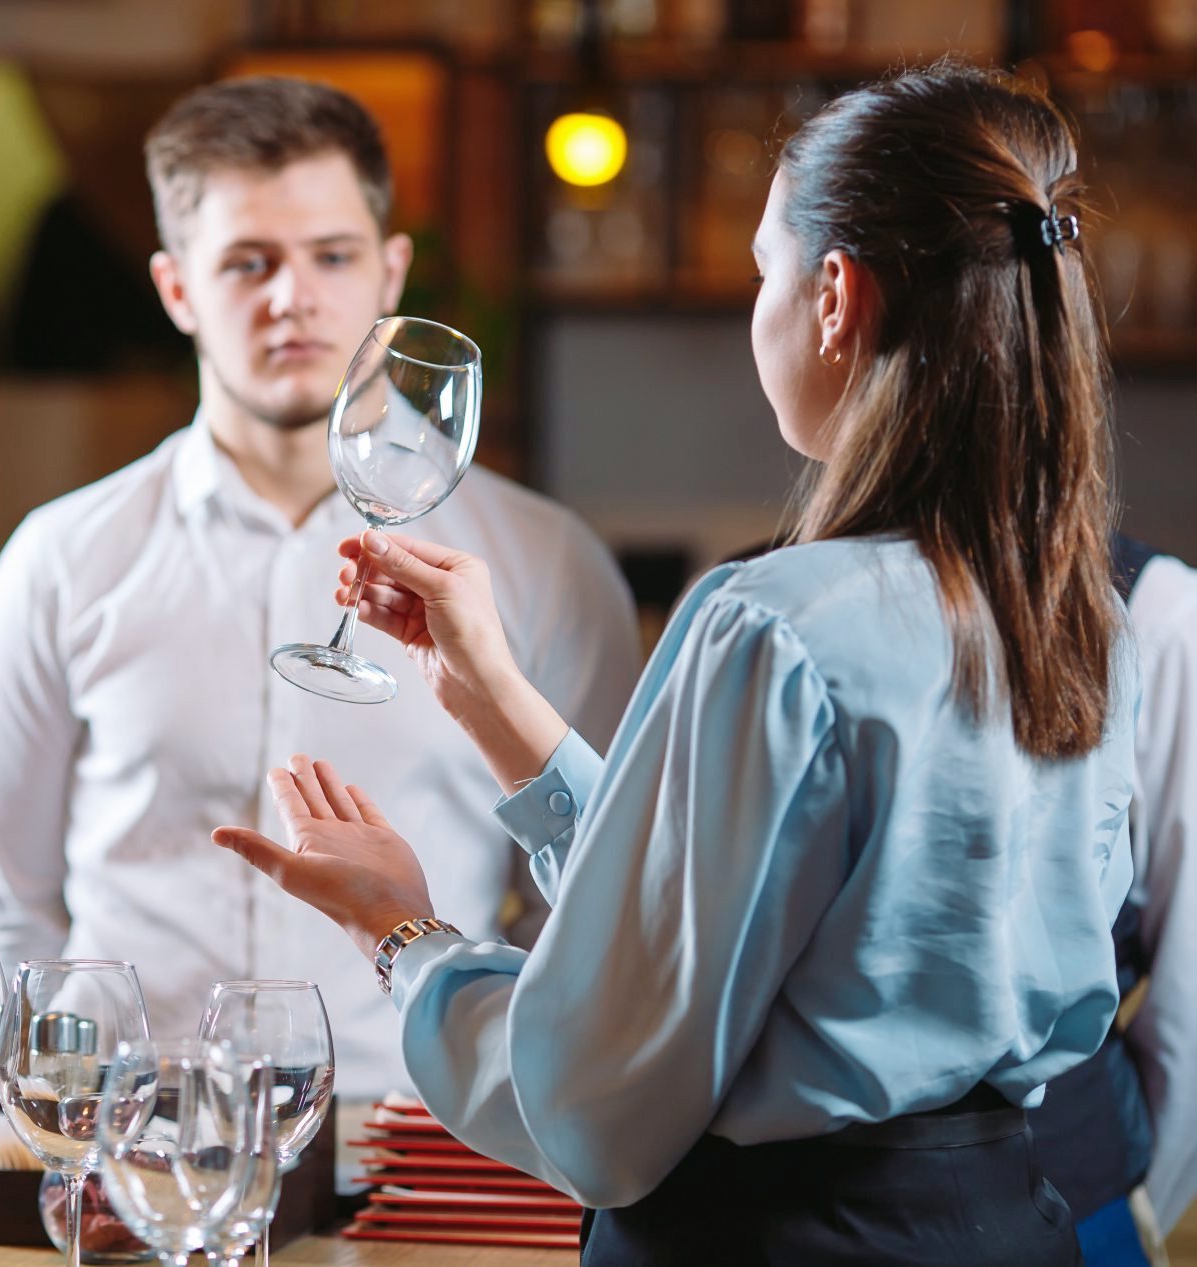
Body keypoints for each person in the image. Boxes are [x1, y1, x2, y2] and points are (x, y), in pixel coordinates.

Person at [213, 64, 1136, 1264]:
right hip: (1005, 1224)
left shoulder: (769, 624)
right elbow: (753, 911)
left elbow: (592, 1111)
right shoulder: (1075, 613)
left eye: (763, 271)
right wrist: (495, 704)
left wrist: (400, 934)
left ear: (834, 296)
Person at [0, 76, 639, 1101]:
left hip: (419, 1132)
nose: (292, 298)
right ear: (176, 288)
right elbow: (7, 910)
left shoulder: (547, 564)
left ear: (389, 271)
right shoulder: (57, 560)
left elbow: (589, 906)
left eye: (332, 256)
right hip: (137, 1134)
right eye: (247, 262)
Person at [1029, 536, 1197, 1265]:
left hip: (1080, 1189)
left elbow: (1191, 989)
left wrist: (1143, 1197)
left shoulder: (1160, 617)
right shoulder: (772, 589)